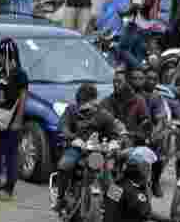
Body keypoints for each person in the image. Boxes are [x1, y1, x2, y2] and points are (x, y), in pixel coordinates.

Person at [52, 83, 129, 211]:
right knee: (65, 165)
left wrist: (117, 140)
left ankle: (118, 207)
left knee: (109, 178)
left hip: (96, 152)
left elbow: (117, 127)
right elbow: (63, 126)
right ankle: (60, 198)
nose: (89, 106)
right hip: (76, 149)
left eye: (91, 102)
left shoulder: (103, 114)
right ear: (79, 102)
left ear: (95, 100)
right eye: (85, 103)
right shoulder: (71, 110)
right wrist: (73, 138)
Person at [0, 39, 29, 200]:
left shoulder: (20, 75)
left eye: (0, 54)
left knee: (10, 156)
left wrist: (18, 119)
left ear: (7, 54)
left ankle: (9, 188)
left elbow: (23, 98)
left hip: (11, 121)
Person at [137, 68, 176, 198]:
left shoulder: (156, 97)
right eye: (149, 78)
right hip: (132, 132)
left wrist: (154, 133)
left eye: (155, 79)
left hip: (148, 133)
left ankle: (155, 181)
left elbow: (160, 119)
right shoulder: (133, 94)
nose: (151, 81)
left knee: (158, 153)